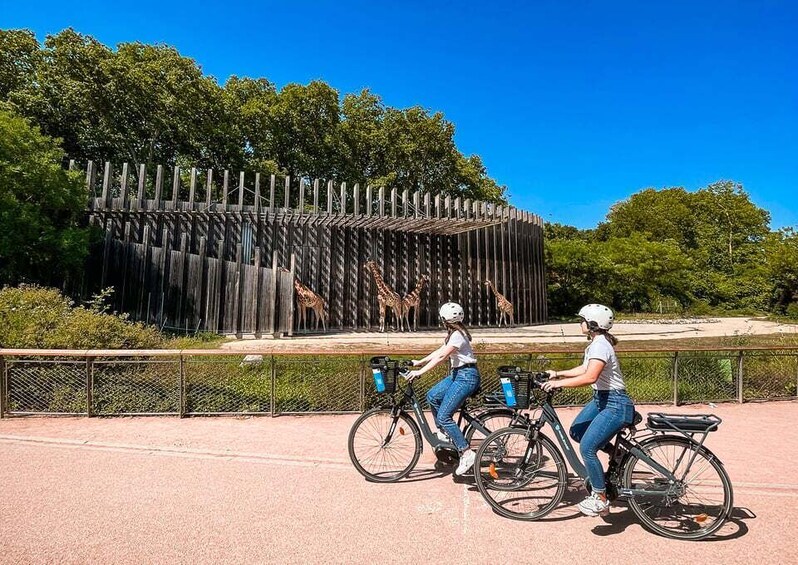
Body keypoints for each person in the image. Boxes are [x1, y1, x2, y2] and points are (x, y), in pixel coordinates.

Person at [541, 303, 635, 517]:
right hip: (602, 399)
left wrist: (558, 384)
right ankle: (615, 453)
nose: (579, 323)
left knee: (587, 448)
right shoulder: (597, 343)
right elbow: (584, 368)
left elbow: (590, 377)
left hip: (614, 403)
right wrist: (558, 374)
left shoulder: (601, 345)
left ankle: (600, 497)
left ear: (592, 324)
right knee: (577, 431)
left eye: (582, 320)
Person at [405, 302, 480, 476]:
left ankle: (466, 452)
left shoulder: (458, 336)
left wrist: (419, 373)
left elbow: (441, 357)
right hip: (458, 375)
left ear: (444, 319)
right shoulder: (455, 333)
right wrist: (419, 362)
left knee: (445, 416)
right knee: (432, 396)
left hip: (466, 377)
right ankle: (445, 434)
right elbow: (440, 350)